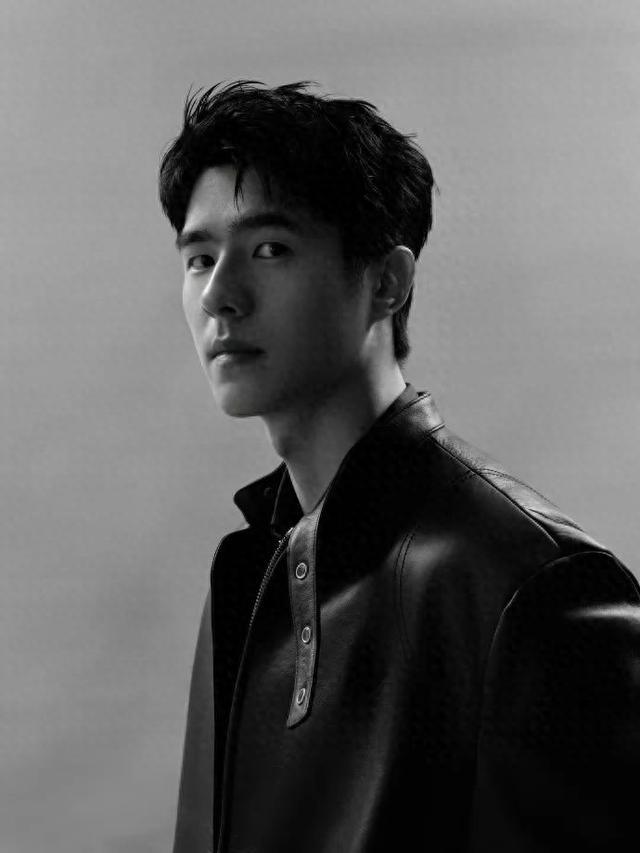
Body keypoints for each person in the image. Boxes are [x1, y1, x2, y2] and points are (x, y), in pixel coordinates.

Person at [158, 80, 640, 852]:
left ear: (387, 281)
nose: (220, 295)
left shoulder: (530, 588)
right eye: (199, 257)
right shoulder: (248, 576)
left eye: (269, 249)